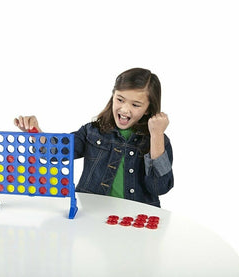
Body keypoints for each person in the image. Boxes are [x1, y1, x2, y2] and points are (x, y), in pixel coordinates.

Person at [14, 68, 173, 207]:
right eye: (120, 99)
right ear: (113, 96)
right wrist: (35, 134)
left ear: (147, 109)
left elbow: (159, 187)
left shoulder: (157, 140)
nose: (124, 109)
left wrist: (157, 135)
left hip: (135, 218)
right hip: (92, 216)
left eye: (136, 105)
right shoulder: (93, 131)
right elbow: (54, 153)